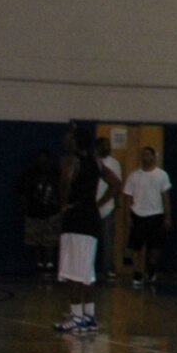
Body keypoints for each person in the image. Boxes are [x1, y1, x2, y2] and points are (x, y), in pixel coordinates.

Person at [56, 136, 103, 332]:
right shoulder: (97, 163)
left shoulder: (70, 161)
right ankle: (89, 316)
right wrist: (95, 204)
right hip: (90, 220)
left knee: (73, 271)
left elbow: (65, 183)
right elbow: (116, 183)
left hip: (77, 221)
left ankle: (76, 317)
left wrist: (64, 204)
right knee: (87, 274)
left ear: (75, 143)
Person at [122, 145, 172, 287]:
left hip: (156, 215)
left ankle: (151, 270)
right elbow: (127, 197)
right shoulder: (134, 175)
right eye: (143, 155)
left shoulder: (162, 175)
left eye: (148, 155)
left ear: (153, 157)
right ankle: (137, 272)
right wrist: (128, 216)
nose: (145, 158)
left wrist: (168, 216)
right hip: (138, 215)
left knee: (155, 249)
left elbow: (165, 197)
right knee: (135, 248)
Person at [18, 149, 62, 275]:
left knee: (50, 240)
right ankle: (39, 263)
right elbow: (23, 193)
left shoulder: (55, 174)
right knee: (36, 240)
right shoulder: (29, 174)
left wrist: (59, 207)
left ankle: (49, 263)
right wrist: (26, 209)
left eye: (44, 158)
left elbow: (62, 191)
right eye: (39, 158)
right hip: (34, 212)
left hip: (52, 212)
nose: (41, 161)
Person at [95, 137, 122, 281]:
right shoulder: (93, 162)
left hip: (107, 207)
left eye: (108, 145)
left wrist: (117, 202)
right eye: (104, 145)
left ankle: (109, 268)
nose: (107, 148)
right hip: (91, 208)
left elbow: (117, 185)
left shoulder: (114, 163)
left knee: (108, 240)